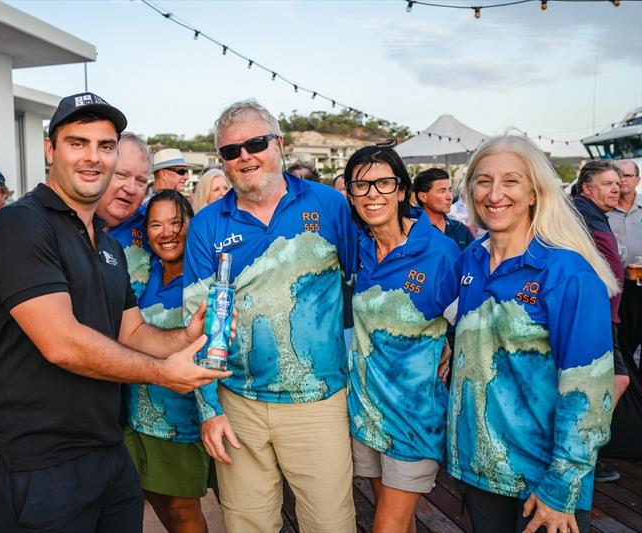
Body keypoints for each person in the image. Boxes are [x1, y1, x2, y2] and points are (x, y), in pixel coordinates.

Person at [0, 92, 228, 532]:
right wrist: (165, 373)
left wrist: (188, 335)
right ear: (50, 149)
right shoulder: (21, 225)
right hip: (35, 461)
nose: (93, 158)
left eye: (105, 146)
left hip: (105, 451)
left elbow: (132, 331)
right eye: (78, 143)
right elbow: (62, 344)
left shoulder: (107, 245)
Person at [184, 99, 357, 532]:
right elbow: (196, 327)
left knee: (331, 524)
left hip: (318, 403)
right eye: (231, 151)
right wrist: (209, 410)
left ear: (278, 144)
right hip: (237, 404)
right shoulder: (207, 225)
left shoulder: (331, 206)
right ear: (222, 162)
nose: (245, 156)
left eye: (255, 143)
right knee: (247, 526)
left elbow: (360, 287)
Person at [448, 135, 617, 533]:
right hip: (479, 470)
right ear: (470, 189)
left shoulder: (567, 272)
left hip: (542, 482)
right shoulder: (471, 257)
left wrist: (562, 486)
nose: (494, 194)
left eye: (510, 181)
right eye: (483, 181)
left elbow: (590, 392)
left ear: (534, 192)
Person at [344, 144, 460, 533]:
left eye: (383, 183)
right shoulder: (360, 248)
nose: (372, 193)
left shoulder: (440, 252)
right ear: (351, 194)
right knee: (397, 520)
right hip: (368, 412)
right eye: (362, 185)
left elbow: (472, 326)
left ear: (402, 192)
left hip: (415, 419)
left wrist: (449, 345)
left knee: (387, 526)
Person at [124, 190, 211, 533]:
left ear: (192, 223)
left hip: (182, 417)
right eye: (156, 225)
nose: (167, 232)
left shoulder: (202, 276)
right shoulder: (144, 273)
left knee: (182, 507)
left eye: (176, 222)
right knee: (155, 497)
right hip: (137, 411)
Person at [572, 160, 627, 485]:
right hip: (597, 315)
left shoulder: (592, 213)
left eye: (617, 183)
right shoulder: (579, 214)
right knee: (615, 380)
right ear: (587, 187)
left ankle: (586, 452)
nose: (615, 188)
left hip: (606, 314)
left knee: (613, 381)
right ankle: (584, 453)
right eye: (608, 183)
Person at [99, 132, 154, 299]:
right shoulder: (63, 223)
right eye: (121, 175)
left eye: (140, 181)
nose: (131, 188)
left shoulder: (153, 225)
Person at [607, 160, 641, 371]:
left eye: (627, 175)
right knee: (622, 343)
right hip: (614, 290)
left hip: (639, 286)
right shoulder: (604, 211)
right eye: (618, 174)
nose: (622, 179)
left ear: (637, 180)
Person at [413, 168, 474, 250]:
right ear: (423, 197)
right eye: (442, 191)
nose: (450, 197)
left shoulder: (461, 230)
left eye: (450, 190)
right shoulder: (412, 232)